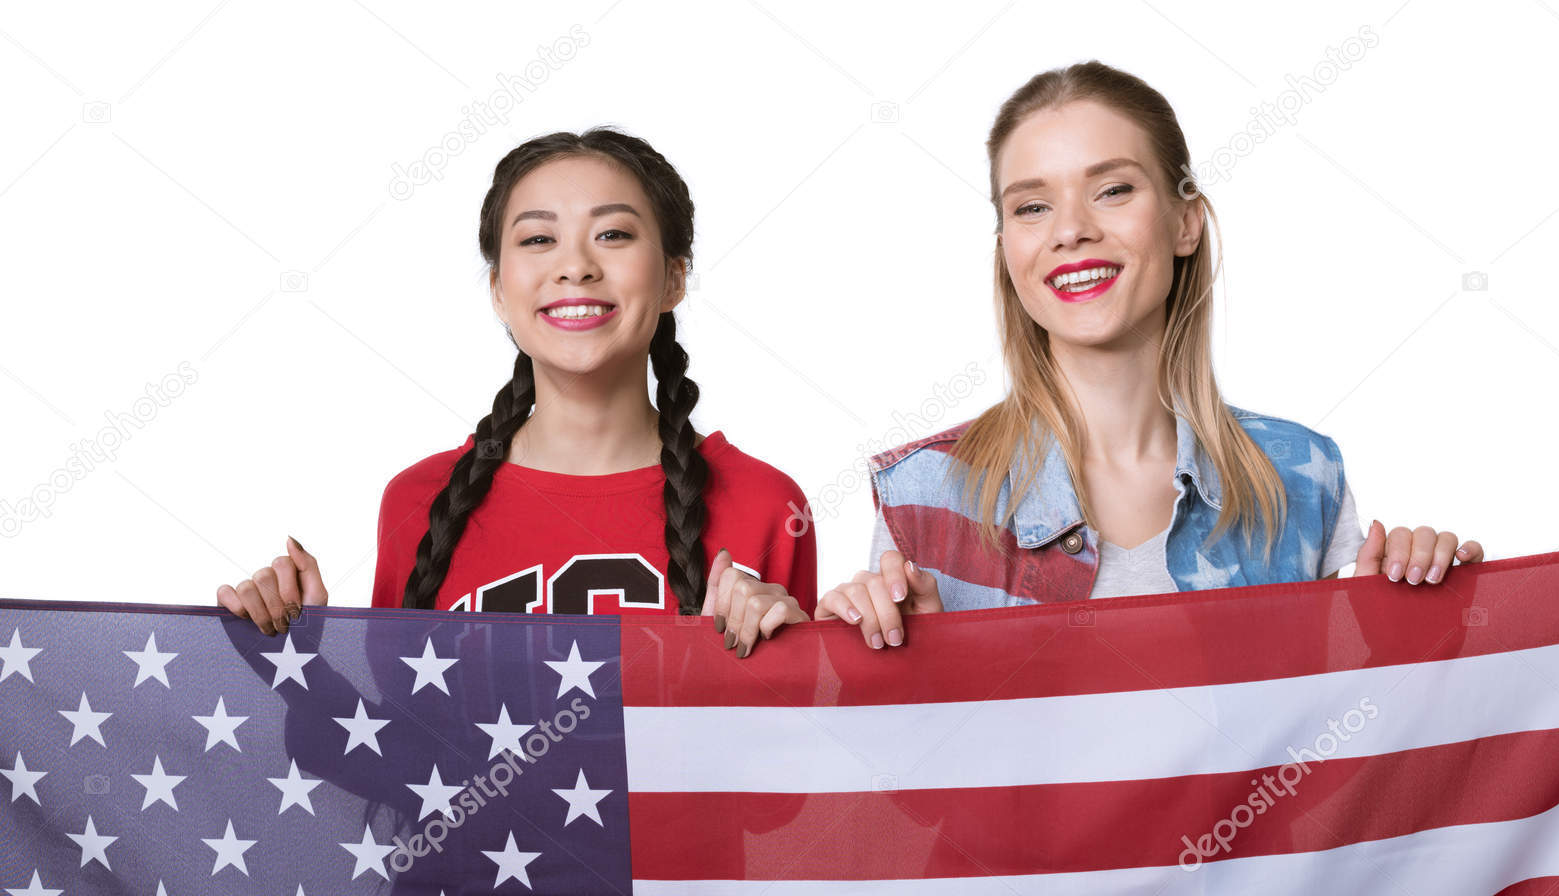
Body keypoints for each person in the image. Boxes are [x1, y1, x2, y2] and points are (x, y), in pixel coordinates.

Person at [800, 60, 1484, 648]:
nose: (1070, 230)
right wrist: (901, 678)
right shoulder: (925, 494)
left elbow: (1331, 761)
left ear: (1186, 222)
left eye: (1113, 190)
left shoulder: (1299, 477)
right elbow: (915, 792)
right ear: (1007, 248)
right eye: (1032, 207)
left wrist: (1404, 629)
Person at [218, 128, 813, 656]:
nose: (575, 266)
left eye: (612, 234)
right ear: (500, 290)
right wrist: (302, 659)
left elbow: (794, 764)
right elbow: (398, 760)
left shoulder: (767, 504)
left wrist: (840, 649)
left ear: (674, 277)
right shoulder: (417, 501)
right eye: (536, 240)